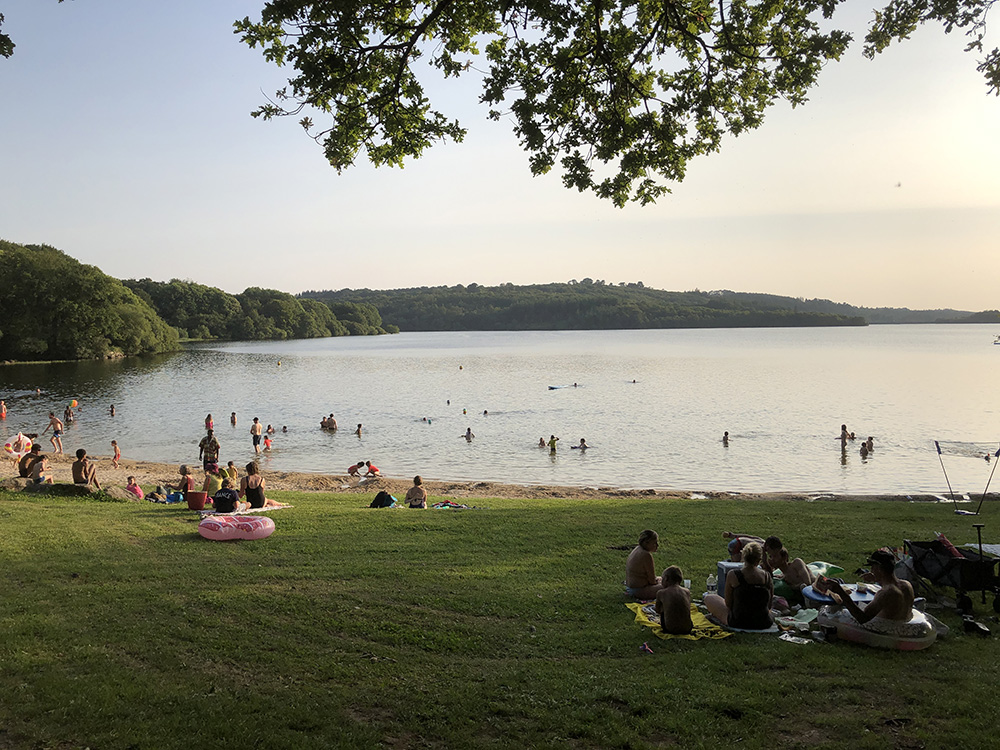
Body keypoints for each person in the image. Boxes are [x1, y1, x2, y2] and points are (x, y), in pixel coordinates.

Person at [828, 550, 916, 631]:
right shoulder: (906, 585)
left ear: (878, 568)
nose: (871, 570)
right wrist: (877, 578)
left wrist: (841, 593)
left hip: (885, 630)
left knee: (834, 610)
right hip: (901, 624)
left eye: (873, 568)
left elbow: (862, 618)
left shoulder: (886, 593)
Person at [704, 542, 773, 629]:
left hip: (738, 621)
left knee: (709, 598)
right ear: (759, 559)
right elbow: (769, 605)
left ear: (743, 556)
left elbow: (728, 604)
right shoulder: (767, 576)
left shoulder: (733, 575)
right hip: (764, 621)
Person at [654, 566, 693, 635]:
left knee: (664, 607)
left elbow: (657, 610)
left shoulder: (661, 593)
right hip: (688, 629)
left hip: (669, 629)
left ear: (666, 579)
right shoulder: (687, 591)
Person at [625, 529, 663, 599]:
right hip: (638, 590)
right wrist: (658, 582)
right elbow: (652, 581)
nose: (657, 545)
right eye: (654, 543)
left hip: (630, 587)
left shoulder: (637, 549)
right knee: (669, 586)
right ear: (646, 543)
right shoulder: (646, 555)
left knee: (663, 579)